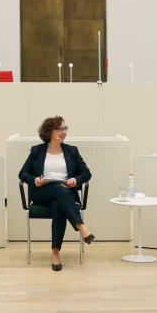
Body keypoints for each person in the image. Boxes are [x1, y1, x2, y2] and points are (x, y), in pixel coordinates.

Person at [18, 116, 94, 271]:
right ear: (49, 131)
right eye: (59, 129)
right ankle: (81, 227)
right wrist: (35, 180)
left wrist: (75, 180)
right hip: (42, 193)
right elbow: (23, 174)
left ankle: (55, 253)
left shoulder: (72, 151)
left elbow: (86, 173)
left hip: (65, 193)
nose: (63, 132)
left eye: (65, 129)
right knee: (58, 189)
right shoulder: (37, 150)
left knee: (59, 203)